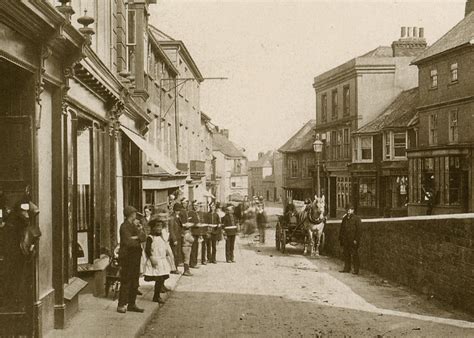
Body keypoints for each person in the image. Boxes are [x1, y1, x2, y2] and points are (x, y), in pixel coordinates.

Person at [117, 206, 146, 314]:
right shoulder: (124, 227)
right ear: (131, 214)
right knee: (126, 281)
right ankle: (121, 305)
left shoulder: (134, 226)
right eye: (134, 213)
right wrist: (136, 238)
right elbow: (128, 242)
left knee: (135, 281)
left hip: (135, 256)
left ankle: (131, 304)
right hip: (127, 258)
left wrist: (137, 237)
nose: (135, 215)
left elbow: (144, 237)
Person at [143, 219, 171, 304]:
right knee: (159, 278)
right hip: (155, 259)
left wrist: (166, 252)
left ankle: (158, 293)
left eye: (160, 227)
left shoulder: (161, 237)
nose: (159, 229)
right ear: (153, 228)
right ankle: (156, 296)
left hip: (162, 260)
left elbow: (163, 246)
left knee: (162, 277)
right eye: (157, 227)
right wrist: (151, 258)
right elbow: (147, 249)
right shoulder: (150, 238)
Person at [338, 203, 362, 275]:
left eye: (350, 210)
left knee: (354, 254)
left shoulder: (357, 219)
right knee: (346, 254)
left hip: (353, 240)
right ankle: (347, 268)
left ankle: (356, 269)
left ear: (353, 210)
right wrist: (341, 238)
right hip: (346, 240)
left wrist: (356, 240)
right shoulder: (345, 219)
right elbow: (342, 229)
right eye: (347, 209)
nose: (348, 211)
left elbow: (359, 230)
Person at [188, 200, 202, 268]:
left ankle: (195, 262)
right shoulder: (191, 213)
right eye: (194, 206)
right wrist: (195, 225)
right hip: (193, 233)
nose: (195, 207)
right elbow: (189, 223)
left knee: (196, 249)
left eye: (196, 206)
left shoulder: (197, 213)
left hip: (197, 233)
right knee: (193, 249)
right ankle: (192, 263)